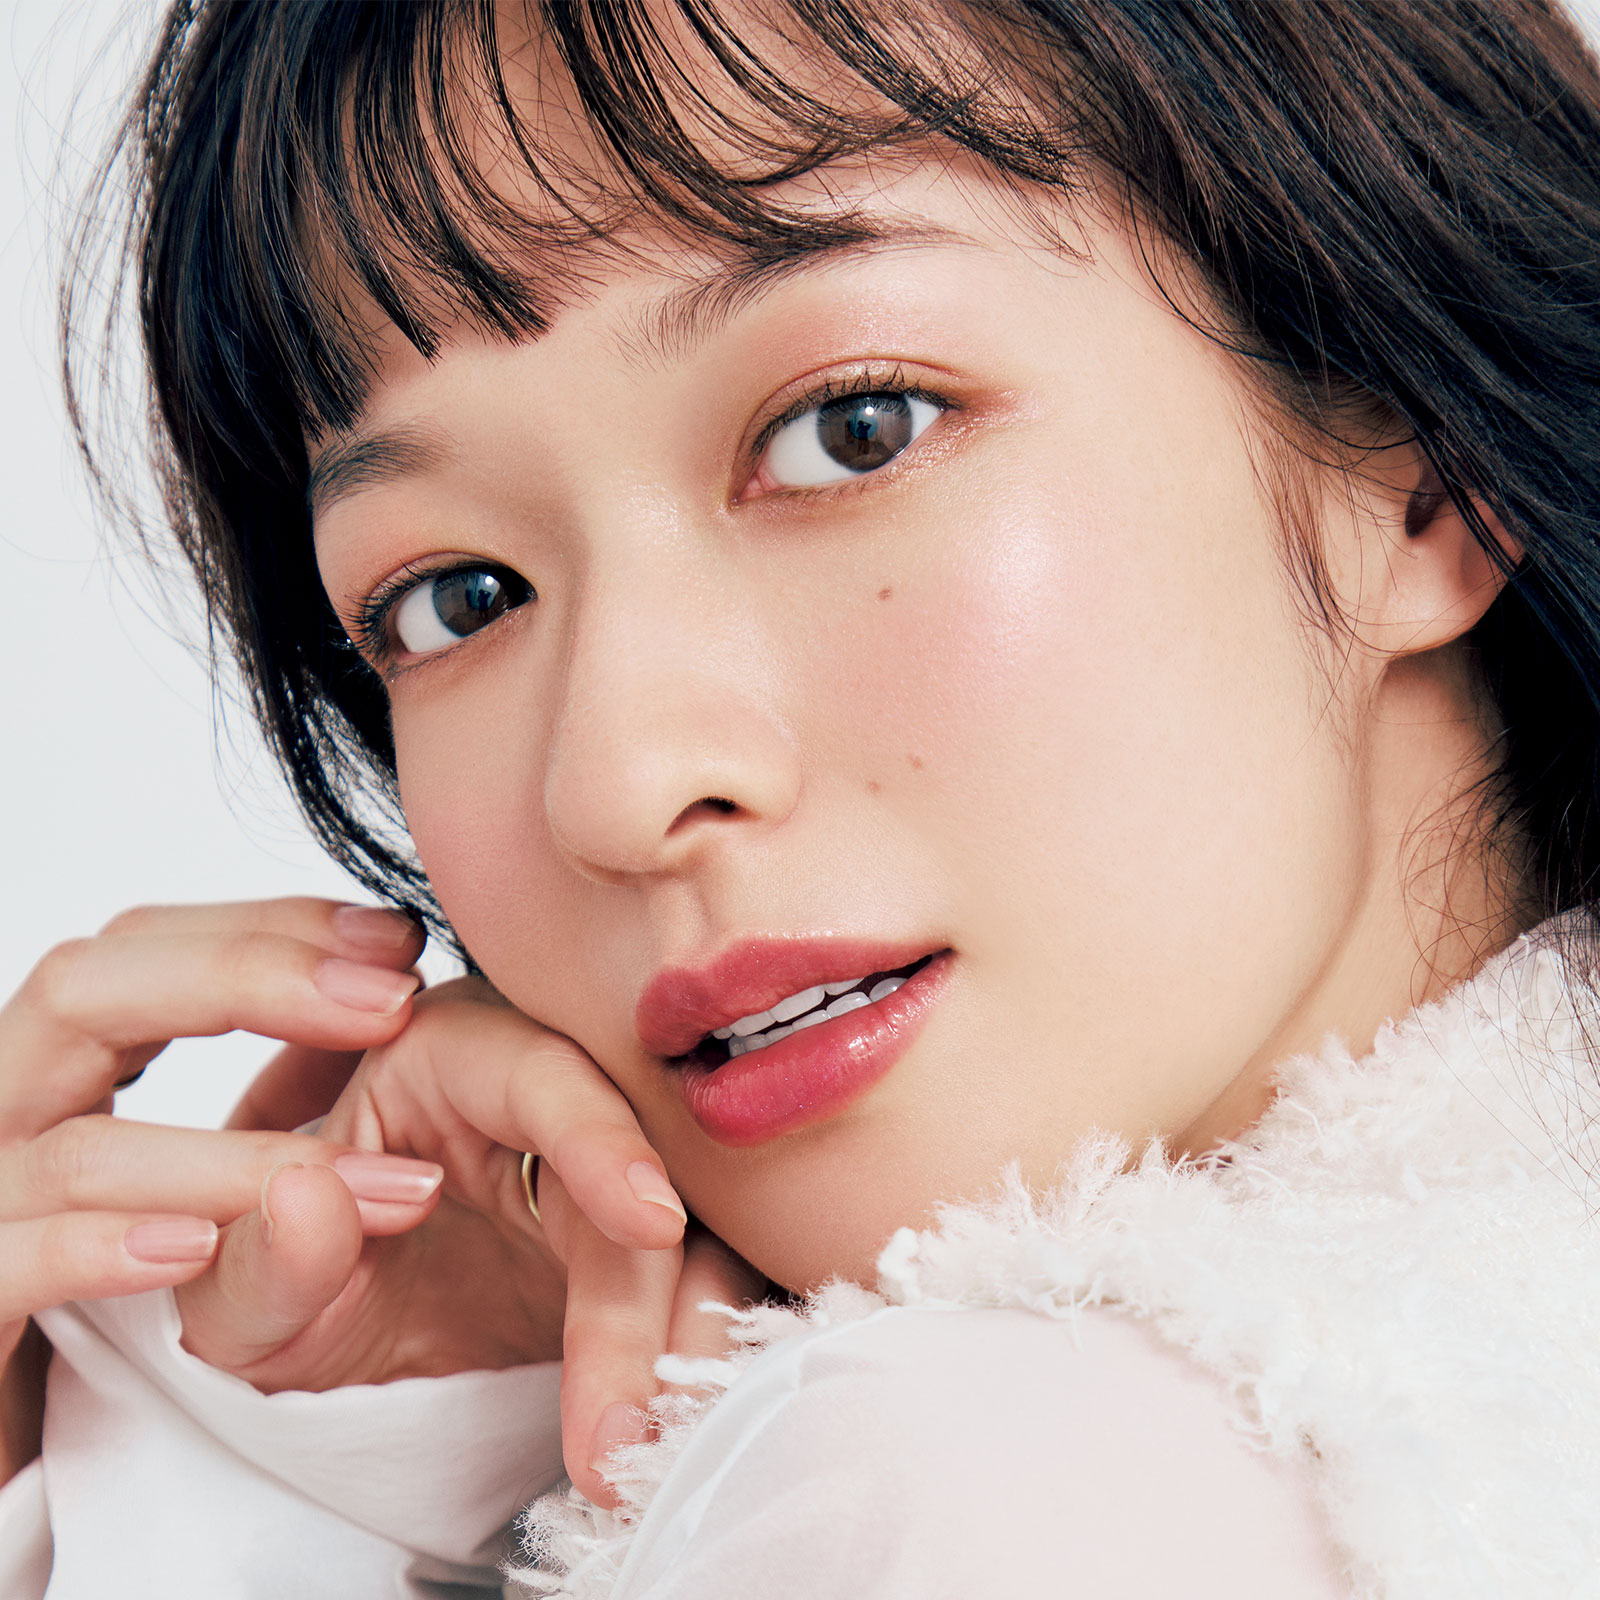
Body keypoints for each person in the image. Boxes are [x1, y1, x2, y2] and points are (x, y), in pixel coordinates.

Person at [3, 0, 1600, 1593]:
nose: (618, 787)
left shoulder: (963, 1476)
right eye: (457, 598)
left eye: (854, 430)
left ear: (1418, 462)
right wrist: (422, 1441)